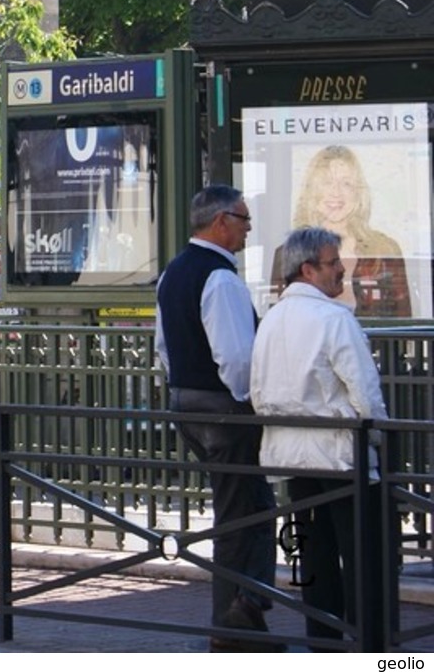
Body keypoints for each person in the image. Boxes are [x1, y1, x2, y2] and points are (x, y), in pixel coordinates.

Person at [252, 227, 389, 648]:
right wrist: (380, 436)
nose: (342, 270)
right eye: (333, 263)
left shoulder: (270, 320)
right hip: (340, 456)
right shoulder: (335, 319)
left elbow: (257, 391)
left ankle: (322, 642)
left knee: (313, 557)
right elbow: (365, 393)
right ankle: (372, 644)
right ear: (307, 269)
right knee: (364, 558)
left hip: (290, 457)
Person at [155, 185, 277, 650]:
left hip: (187, 403)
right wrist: (251, 406)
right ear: (221, 221)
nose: (249, 228)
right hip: (224, 410)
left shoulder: (173, 272)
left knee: (243, 508)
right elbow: (237, 361)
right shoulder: (221, 278)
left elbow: (163, 348)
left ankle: (242, 618)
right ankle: (234, 623)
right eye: (244, 219)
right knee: (246, 512)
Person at [272, 146, 412, 318]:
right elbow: (281, 317)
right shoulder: (287, 254)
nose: (336, 192)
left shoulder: (385, 250)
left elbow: (404, 322)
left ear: (358, 193)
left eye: (346, 183)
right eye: (327, 182)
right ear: (312, 190)